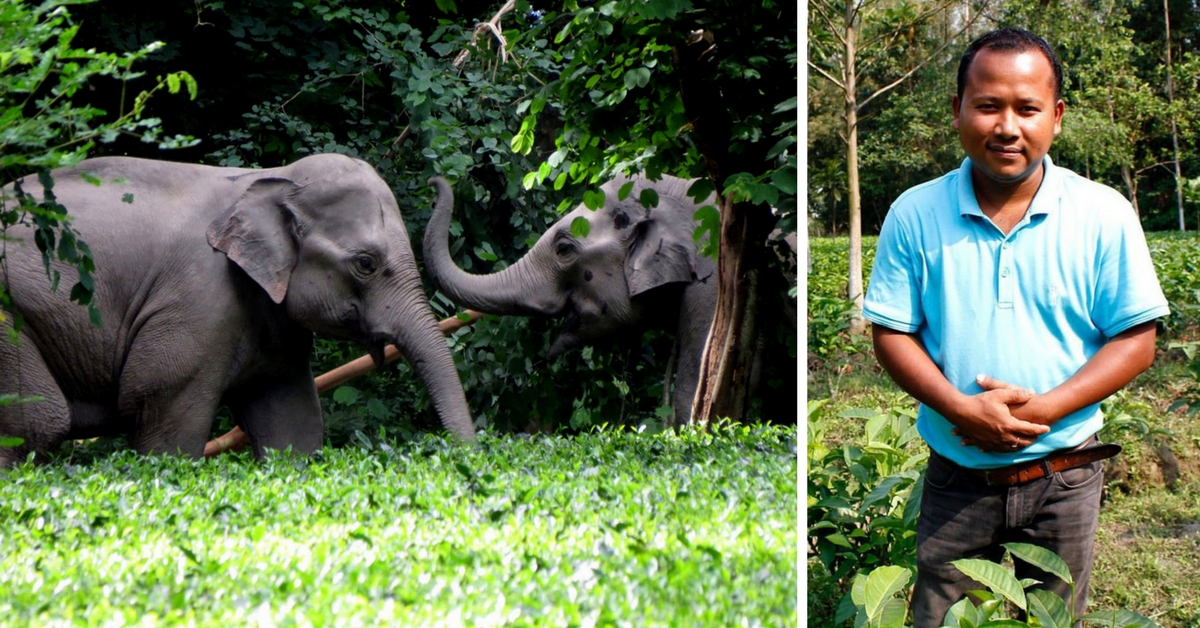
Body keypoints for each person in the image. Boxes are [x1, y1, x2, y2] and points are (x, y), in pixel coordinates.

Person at [862, 28, 1170, 626]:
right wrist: (960, 408)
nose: (1007, 126)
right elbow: (892, 333)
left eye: (1027, 108)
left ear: (1055, 117)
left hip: (1066, 473)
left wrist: (1045, 410)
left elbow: (1136, 340)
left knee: (1054, 617)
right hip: (957, 473)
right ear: (957, 111)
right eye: (988, 106)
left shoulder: (1103, 213)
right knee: (942, 615)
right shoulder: (914, 213)